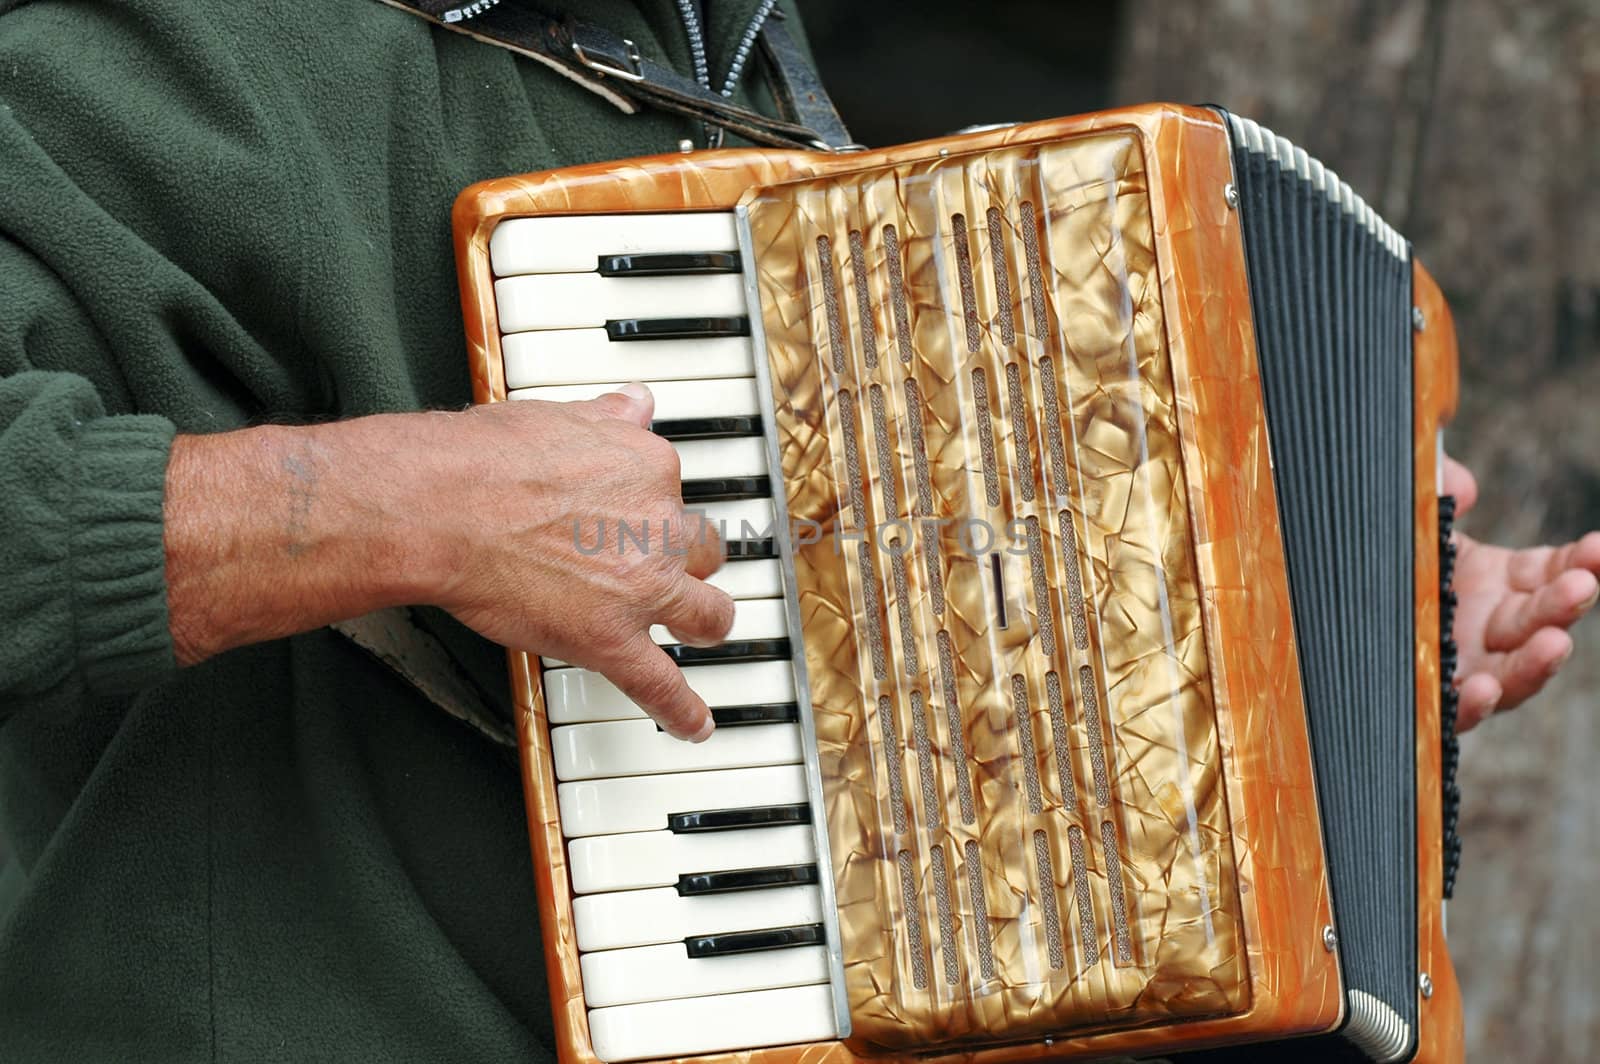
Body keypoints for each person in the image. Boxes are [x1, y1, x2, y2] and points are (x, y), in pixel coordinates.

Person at [0, 1, 1594, 1060]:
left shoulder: (740, 84)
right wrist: (392, 506)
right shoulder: (170, 67)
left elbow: (889, 674)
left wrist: (1307, 669)